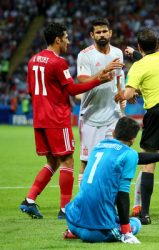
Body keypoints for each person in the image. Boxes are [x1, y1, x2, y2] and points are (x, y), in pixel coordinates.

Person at [19, 22, 114, 219]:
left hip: (40, 118)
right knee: (68, 160)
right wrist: (99, 81)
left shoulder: (33, 60)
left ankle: (29, 200)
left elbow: (30, 90)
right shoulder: (58, 62)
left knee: (53, 161)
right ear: (58, 39)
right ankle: (64, 209)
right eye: (66, 38)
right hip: (56, 118)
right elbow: (71, 89)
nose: (68, 42)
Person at [64, 117, 159, 243]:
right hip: (97, 232)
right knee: (136, 223)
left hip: (73, 220)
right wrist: (126, 231)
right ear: (133, 140)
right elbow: (122, 194)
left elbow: (138, 157)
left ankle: (75, 231)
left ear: (114, 132)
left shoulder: (100, 146)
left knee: (111, 214)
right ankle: (114, 231)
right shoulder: (128, 154)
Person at [115, 28, 159, 225]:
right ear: (157, 46)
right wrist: (134, 54)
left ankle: (144, 214)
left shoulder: (138, 67)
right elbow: (147, 60)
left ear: (139, 46)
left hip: (157, 113)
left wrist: (120, 94)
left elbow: (127, 94)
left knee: (148, 162)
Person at [76, 18, 125, 187]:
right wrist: (103, 72)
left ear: (110, 33)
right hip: (90, 116)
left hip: (112, 114)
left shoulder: (118, 53)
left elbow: (119, 78)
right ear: (92, 35)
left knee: (113, 159)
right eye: (98, 32)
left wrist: (122, 97)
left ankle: (109, 199)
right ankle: (82, 199)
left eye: (105, 31)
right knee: (86, 161)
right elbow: (82, 81)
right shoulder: (85, 55)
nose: (102, 34)